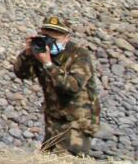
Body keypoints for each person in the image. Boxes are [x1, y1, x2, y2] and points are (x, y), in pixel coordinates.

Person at [12, 15, 100, 156]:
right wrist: (27, 55)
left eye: (55, 39)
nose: (50, 44)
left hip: (77, 121)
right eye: (46, 38)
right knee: (48, 162)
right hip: (53, 119)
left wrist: (48, 64)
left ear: (66, 38)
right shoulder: (41, 52)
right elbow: (21, 73)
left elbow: (73, 87)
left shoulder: (79, 55)